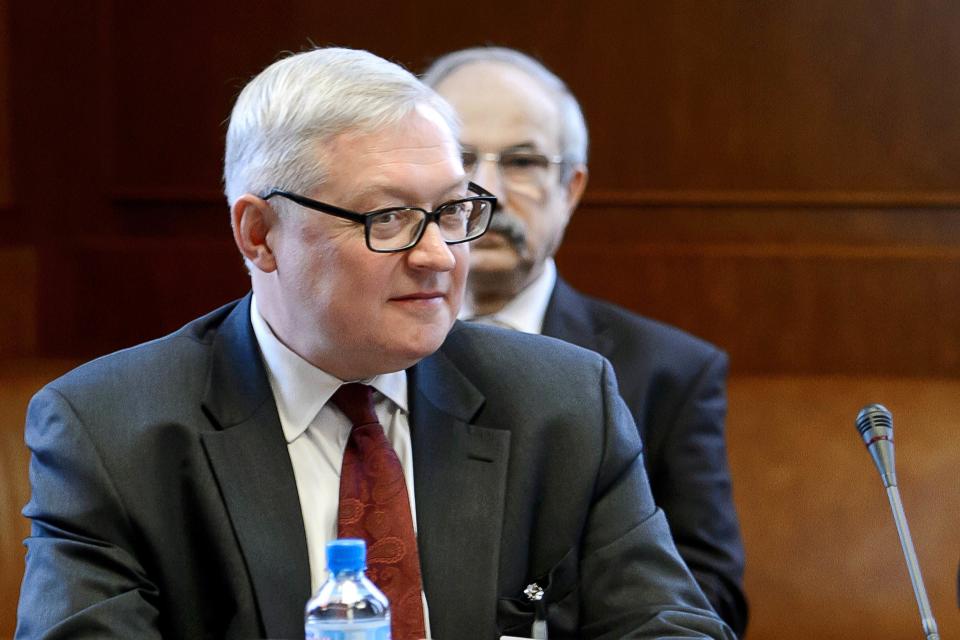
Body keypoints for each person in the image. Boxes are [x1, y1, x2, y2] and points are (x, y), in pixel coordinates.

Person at [16, 47, 733, 639]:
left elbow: (671, 626)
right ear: (259, 234)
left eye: (451, 211)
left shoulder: (564, 403)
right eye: (387, 218)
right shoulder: (108, 431)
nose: (442, 256)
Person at [422, 47, 748, 634]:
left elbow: (708, 595)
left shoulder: (670, 371)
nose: (486, 189)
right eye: (461, 157)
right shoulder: (371, 349)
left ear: (570, 187)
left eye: (521, 162)